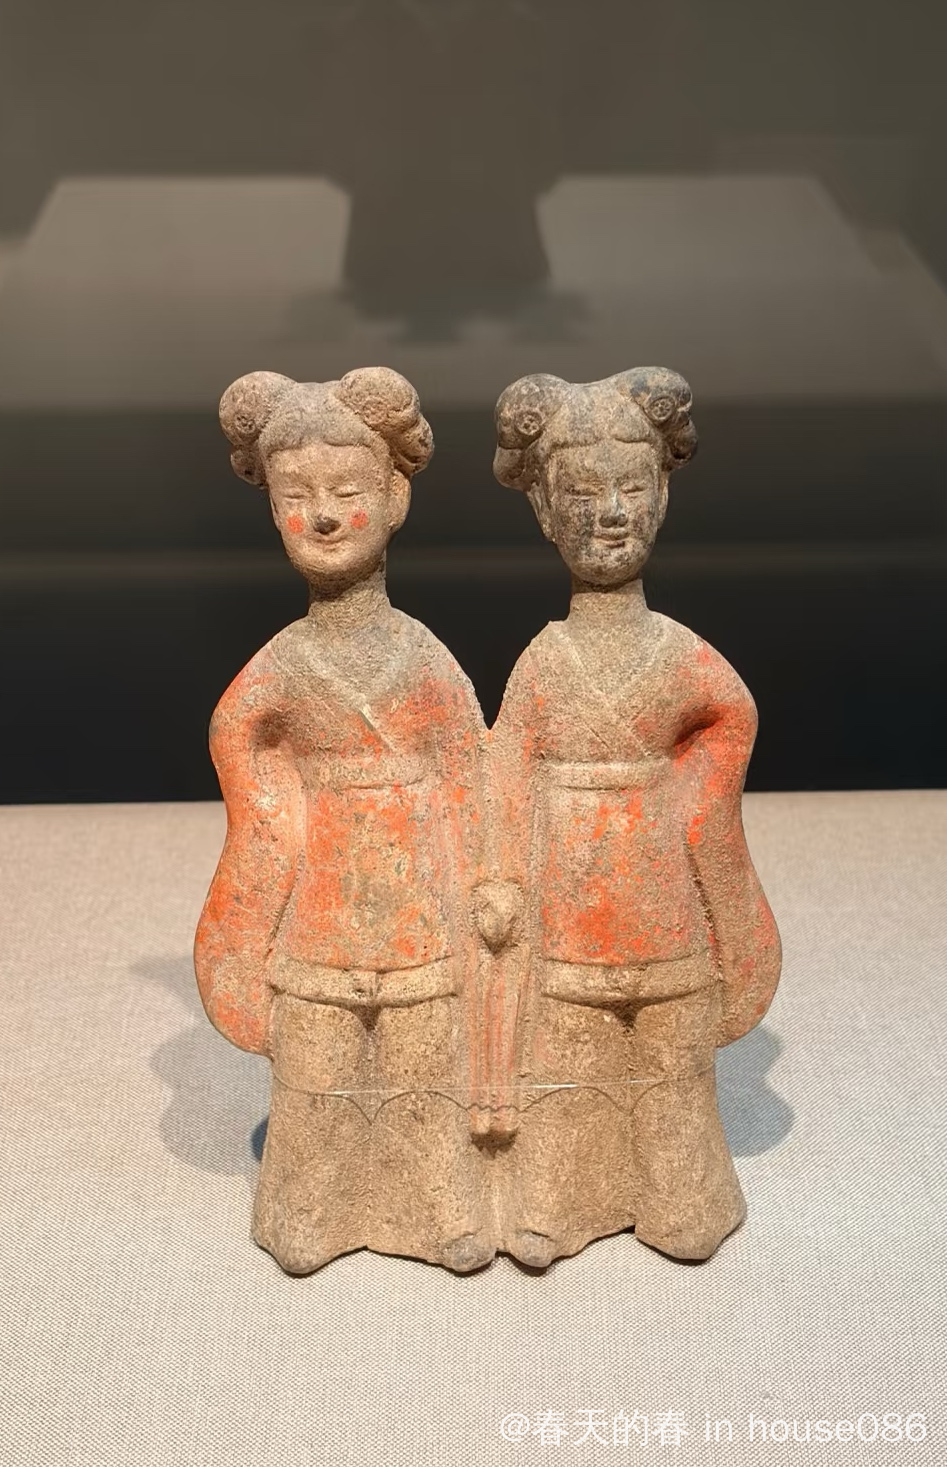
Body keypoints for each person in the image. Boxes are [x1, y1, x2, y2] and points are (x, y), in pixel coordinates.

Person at [479, 368, 782, 1264]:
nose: (610, 514)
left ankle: (682, 1198)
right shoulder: (543, 662)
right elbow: (504, 773)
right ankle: (558, 1205)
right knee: (567, 1063)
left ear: (661, 497)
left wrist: (697, 805)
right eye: (582, 494)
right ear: (544, 511)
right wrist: (502, 878)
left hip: (662, 902)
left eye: (632, 489)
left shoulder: (678, 653)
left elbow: (731, 716)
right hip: (566, 912)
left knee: (671, 1067)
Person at [194, 367, 492, 1274]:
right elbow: (236, 738)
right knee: (317, 1074)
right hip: (318, 913)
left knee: (421, 1072)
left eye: (347, 491)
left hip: (419, 914)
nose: (322, 516)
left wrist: (484, 888)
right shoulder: (282, 664)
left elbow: (471, 776)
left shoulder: (423, 658)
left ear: (394, 498)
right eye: (296, 497)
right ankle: (308, 1210)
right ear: (272, 510)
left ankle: (439, 1211)